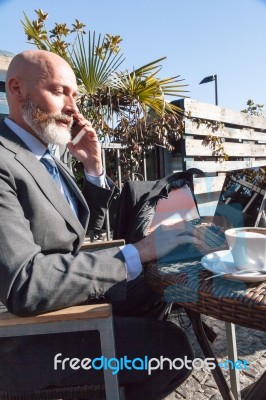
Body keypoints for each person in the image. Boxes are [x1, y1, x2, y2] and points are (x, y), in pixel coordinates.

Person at [0, 50, 199, 399]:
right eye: (60, 91)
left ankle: (119, 367)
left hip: (63, 297)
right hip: (22, 334)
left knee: (160, 283)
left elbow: (77, 235)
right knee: (172, 351)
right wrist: (136, 251)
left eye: (74, 95)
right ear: (16, 89)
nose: (73, 109)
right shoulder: (5, 160)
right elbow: (24, 285)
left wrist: (93, 168)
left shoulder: (44, 155)